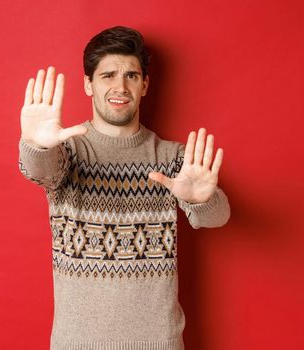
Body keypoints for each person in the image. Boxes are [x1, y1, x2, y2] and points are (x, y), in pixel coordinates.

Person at [18, 26, 231, 350]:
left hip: (158, 342)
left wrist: (202, 201)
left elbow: (217, 217)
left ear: (145, 85)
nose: (120, 86)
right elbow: (39, 170)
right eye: (108, 75)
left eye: (131, 75)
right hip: (77, 343)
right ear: (89, 84)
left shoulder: (172, 157)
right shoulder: (68, 152)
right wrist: (36, 145)